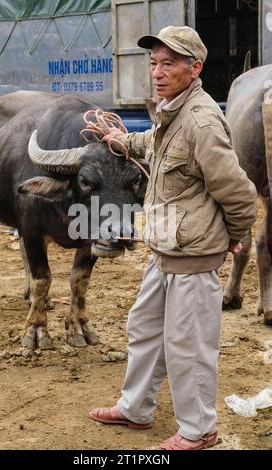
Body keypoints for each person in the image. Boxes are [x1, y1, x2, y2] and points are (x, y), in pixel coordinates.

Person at [89, 26, 258, 450]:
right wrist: (121, 139)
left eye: (168, 64)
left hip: (194, 256)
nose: (158, 73)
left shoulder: (202, 120)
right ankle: (135, 408)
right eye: (154, 63)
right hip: (164, 249)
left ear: (194, 67)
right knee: (144, 330)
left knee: (188, 348)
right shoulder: (172, 111)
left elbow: (238, 191)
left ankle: (199, 430)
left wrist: (236, 236)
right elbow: (156, 143)